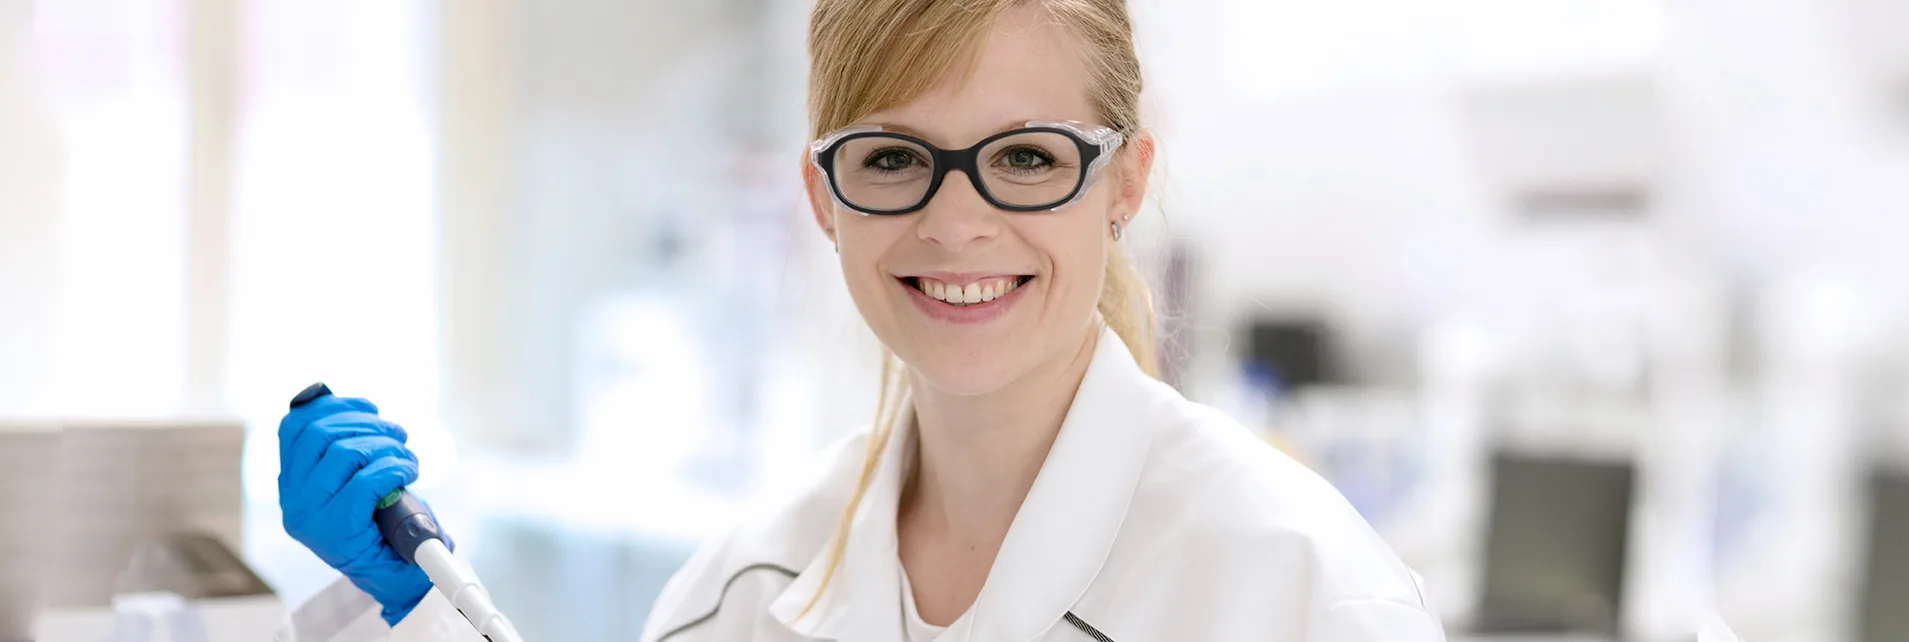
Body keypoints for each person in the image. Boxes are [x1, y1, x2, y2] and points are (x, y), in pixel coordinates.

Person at [276, 0, 1446, 640]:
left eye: (1027, 157)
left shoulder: (1300, 596)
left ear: (1125, 182)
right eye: (892, 158)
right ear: (821, 197)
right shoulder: (742, 593)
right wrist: (418, 613)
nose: (955, 222)